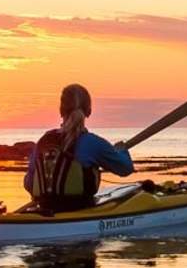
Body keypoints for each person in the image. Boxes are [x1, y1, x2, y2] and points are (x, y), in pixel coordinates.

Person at [24, 83, 136, 213]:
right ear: (89, 111)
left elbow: (29, 183)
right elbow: (125, 168)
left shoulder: (44, 141)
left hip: (46, 209)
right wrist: (121, 150)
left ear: (61, 110)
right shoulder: (93, 142)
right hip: (80, 209)